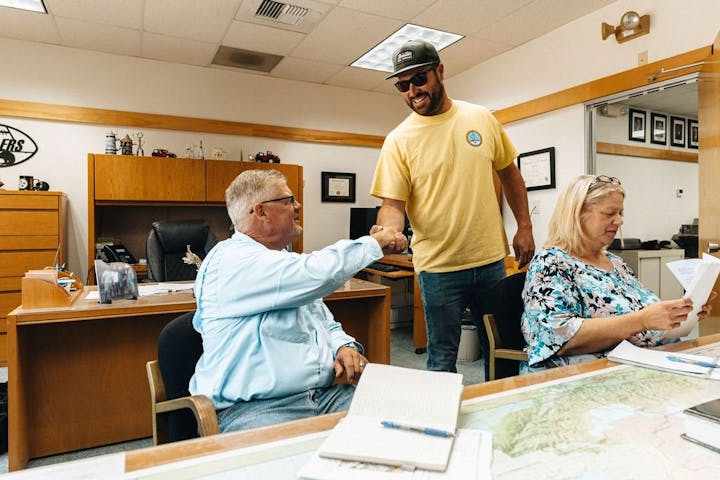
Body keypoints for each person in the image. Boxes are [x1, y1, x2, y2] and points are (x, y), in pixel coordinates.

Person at [190, 169, 404, 432]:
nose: (297, 206)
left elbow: (321, 321)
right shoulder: (232, 260)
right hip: (255, 408)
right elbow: (315, 272)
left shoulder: (281, 264)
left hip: (322, 397)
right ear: (261, 211)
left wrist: (343, 346)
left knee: (397, 426)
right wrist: (374, 243)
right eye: (288, 200)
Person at [370, 39, 535, 375]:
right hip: (438, 268)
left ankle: (503, 419)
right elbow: (393, 204)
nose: (412, 91)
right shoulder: (398, 140)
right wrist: (388, 231)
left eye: (419, 79)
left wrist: (525, 227)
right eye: (403, 85)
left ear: (440, 72)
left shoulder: (480, 118)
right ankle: (440, 424)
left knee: (501, 348)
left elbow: (511, 175)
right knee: (442, 355)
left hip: (490, 259)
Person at [521, 174, 715, 372]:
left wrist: (680, 313)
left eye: (621, 213)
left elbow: (644, 312)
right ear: (578, 214)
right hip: (586, 374)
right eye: (610, 213)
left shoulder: (615, 263)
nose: (619, 221)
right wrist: (642, 320)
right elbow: (558, 337)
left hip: (643, 362)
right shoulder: (552, 263)